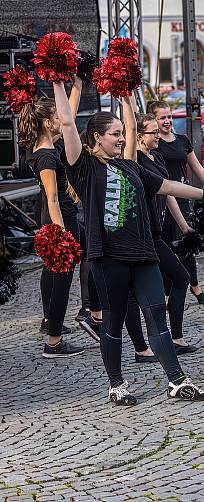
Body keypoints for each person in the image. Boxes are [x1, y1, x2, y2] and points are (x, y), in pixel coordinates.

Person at [57, 84, 204, 405]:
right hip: (109, 257)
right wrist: (62, 82)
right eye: (113, 134)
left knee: (157, 315)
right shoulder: (84, 169)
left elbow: (168, 185)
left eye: (121, 134)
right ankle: (116, 384)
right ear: (96, 138)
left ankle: (177, 380)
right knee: (113, 320)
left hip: (143, 254)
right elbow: (66, 124)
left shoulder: (130, 166)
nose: (120, 138)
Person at [19, 88, 93, 357]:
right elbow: (52, 199)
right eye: (57, 117)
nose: (62, 118)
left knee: (74, 261)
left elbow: (69, 118)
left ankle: (60, 319)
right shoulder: (48, 156)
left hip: (57, 216)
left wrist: (76, 86)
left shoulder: (43, 145)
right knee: (62, 276)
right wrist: (63, 236)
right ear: (49, 123)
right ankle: (54, 341)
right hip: (59, 217)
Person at [124, 111, 198, 361]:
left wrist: (184, 226)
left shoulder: (156, 157)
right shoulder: (134, 160)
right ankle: (142, 347)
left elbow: (167, 192)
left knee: (180, 278)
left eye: (158, 130)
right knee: (137, 292)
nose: (158, 135)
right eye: (153, 132)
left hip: (157, 230)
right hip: (140, 236)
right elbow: (130, 131)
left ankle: (175, 338)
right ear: (139, 136)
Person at [147, 100, 204, 305]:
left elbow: (197, 168)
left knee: (187, 245)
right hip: (160, 199)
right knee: (165, 246)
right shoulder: (154, 145)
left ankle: (195, 286)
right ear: (153, 120)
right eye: (162, 117)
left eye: (169, 116)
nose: (167, 121)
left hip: (182, 198)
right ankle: (166, 293)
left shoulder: (182, 140)